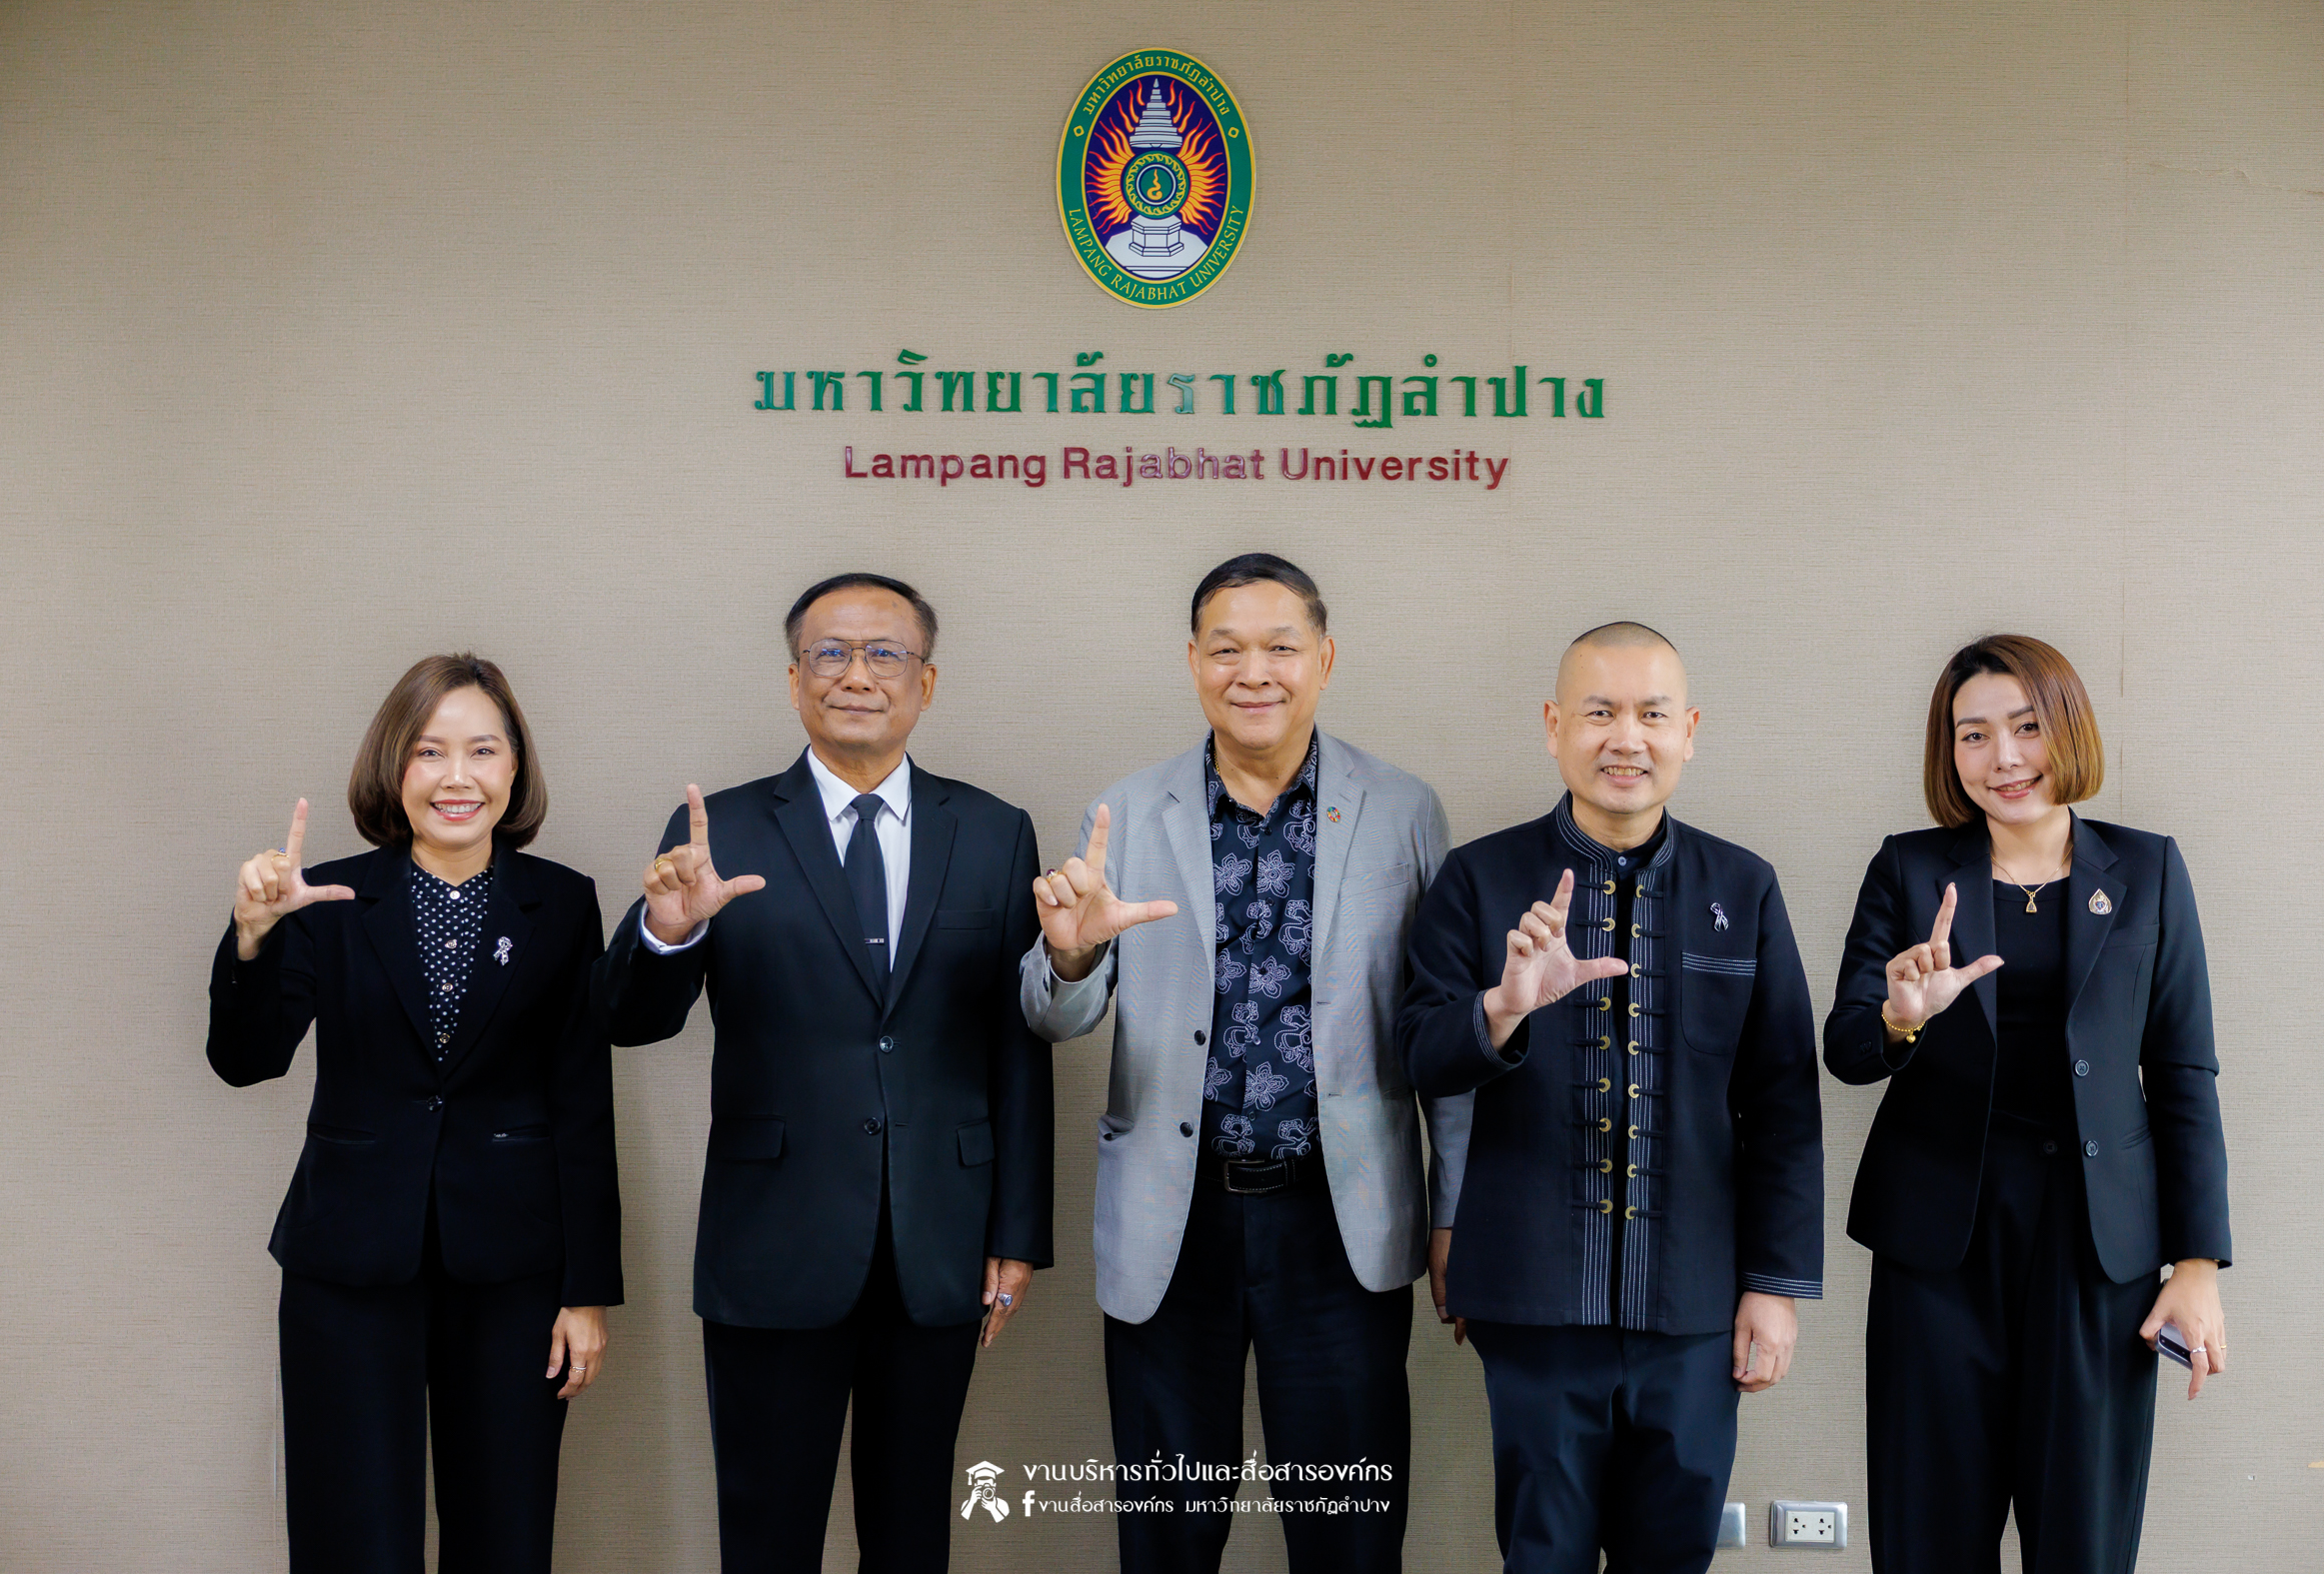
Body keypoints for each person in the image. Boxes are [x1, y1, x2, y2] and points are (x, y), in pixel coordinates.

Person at [593, 573, 1051, 1574]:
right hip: (773, 1240)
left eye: (884, 653)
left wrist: (1017, 1230)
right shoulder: (720, 830)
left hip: (939, 1236)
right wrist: (667, 933)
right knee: (768, 1536)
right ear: (793, 679)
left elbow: (1014, 1040)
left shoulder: (994, 831)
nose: (856, 675)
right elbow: (628, 1022)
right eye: (829, 653)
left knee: (912, 1535)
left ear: (926, 681)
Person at [1020, 553, 1467, 1574]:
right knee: (1168, 1533)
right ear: (1193, 662)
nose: (1253, 672)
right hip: (1175, 1218)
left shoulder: (1403, 809)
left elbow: (1440, 1034)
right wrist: (1071, 955)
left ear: (1326, 659)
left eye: (1280, 648)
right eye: (1227, 649)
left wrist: (1454, 1211)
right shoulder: (1127, 811)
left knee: (1351, 1532)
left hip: (1341, 1217)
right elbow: (1051, 1016)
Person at [1399, 622, 1822, 1574]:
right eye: (1599, 713)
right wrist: (1503, 1008)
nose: (1625, 738)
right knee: (1540, 1554)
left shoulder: (1744, 886)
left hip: (1697, 1305)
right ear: (1554, 726)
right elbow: (1419, 1056)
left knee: (1672, 1555)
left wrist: (1775, 1286)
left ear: (1689, 732)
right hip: (1533, 1301)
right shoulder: (1480, 879)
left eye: (1651, 715)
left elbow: (1784, 1105)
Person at [1824, 634, 2231, 1572]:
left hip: (2099, 1247)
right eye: (1973, 735)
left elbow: (2183, 1071)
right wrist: (1899, 1017)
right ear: (1950, 751)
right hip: (1939, 1244)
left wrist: (2197, 1264)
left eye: (2026, 727)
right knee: (1928, 1536)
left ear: (2068, 730)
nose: (2002, 757)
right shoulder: (1908, 869)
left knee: (2084, 1536)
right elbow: (1846, 1051)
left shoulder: (2148, 870)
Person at [207, 653, 621, 1572]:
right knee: (351, 1535)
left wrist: (586, 1289)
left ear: (515, 767)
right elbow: (245, 1062)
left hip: (514, 1266)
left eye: (483, 750)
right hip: (349, 1261)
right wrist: (252, 939)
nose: (457, 777)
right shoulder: (326, 898)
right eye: (430, 751)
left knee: (505, 1532)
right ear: (394, 767)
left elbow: (581, 1098)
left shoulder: (562, 902)